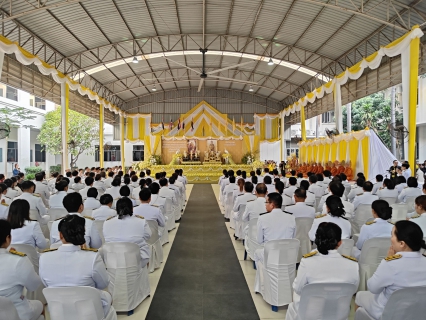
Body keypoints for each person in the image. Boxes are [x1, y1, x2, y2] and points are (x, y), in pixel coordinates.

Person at [39, 215, 112, 317]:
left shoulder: (44, 258)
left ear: (60, 235)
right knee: (107, 297)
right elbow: (103, 283)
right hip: (88, 312)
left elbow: (46, 284)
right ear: (83, 233)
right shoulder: (92, 257)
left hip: (59, 313)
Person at [286, 222, 359, 320]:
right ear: (340, 242)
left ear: (316, 240)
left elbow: (298, 289)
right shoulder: (352, 265)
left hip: (311, 315)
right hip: (339, 314)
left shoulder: (307, 262)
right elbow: (353, 290)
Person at [355, 220, 426, 319]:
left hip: (388, 312)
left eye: (392, 235)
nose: (390, 239)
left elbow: (373, 288)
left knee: (359, 295)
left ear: (402, 243)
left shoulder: (391, 263)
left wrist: (386, 260)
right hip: (418, 311)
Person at [0, 219, 44, 320]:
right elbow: (34, 286)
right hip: (18, 313)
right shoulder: (18, 260)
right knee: (41, 305)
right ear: (8, 238)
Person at [103, 197, 152, 267]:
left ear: (116, 209)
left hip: (113, 262)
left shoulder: (107, 223)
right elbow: (148, 236)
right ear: (132, 208)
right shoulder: (141, 221)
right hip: (136, 262)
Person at [254, 192, 296, 266]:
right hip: (286, 255)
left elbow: (259, 241)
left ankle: (263, 276)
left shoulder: (263, 218)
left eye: (266, 202)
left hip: (269, 254)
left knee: (257, 253)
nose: (265, 205)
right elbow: (293, 238)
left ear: (272, 205)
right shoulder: (291, 218)